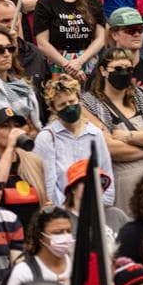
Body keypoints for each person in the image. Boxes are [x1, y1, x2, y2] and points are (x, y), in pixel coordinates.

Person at [80, 46, 143, 208]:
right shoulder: (89, 104)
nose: (124, 73)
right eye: (117, 69)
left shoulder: (142, 96)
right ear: (103, 70)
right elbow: (110, 147)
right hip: (121, 186)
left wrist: (129, 137)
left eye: (129, 69)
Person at [32, 74, 115, 206]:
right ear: (54, 109)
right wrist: (66, 208)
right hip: (62, 209)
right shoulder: (47, 137)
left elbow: (106, 173)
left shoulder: (95, 134)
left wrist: (100, 204)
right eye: (62, 105)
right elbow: (48, 181)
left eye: (72, 102)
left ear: (79, 100)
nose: (69, 107)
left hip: (95, 207)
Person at [4, 205, 73, 285]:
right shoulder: (23, 273)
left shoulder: (77, 265)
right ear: (40, 236)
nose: (65, 237)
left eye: (68, 231)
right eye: (58, 232)